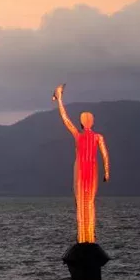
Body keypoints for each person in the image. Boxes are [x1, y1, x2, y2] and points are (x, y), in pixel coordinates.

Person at [52, 84, 110, 243]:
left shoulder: (78, 135)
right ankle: (89, 237)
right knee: (89, 204)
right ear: (92, 122)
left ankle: (82, 238)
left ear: (82, 123)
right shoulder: (99, 137)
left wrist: (59, 99)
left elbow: (65, 119)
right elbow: (104, 154)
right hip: (92, 171)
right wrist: (106, 172)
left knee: (81, 204)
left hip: (80, 171)